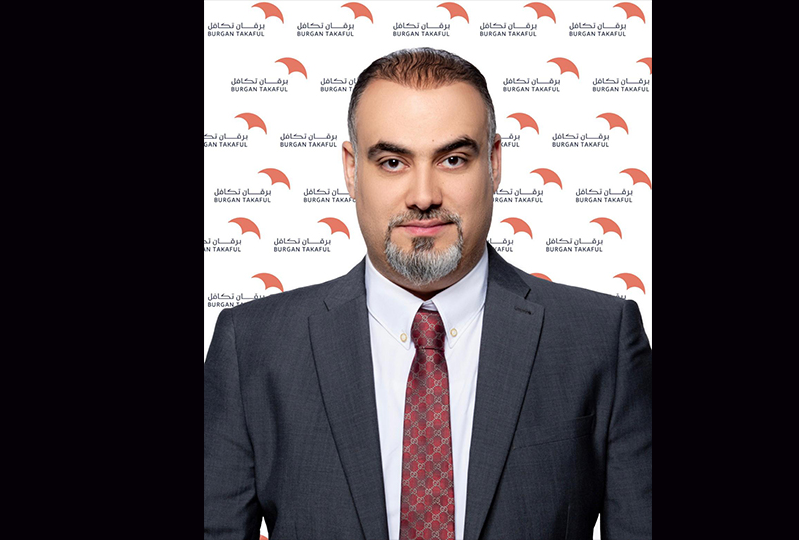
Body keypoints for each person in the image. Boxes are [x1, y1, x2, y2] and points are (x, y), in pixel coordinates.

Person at [204, 47, 652, 540]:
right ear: (351, 170)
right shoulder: (252, 347)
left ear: (494, 162)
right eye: (393, 161)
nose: (423, 196)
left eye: (453, 160)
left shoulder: (601, 339)